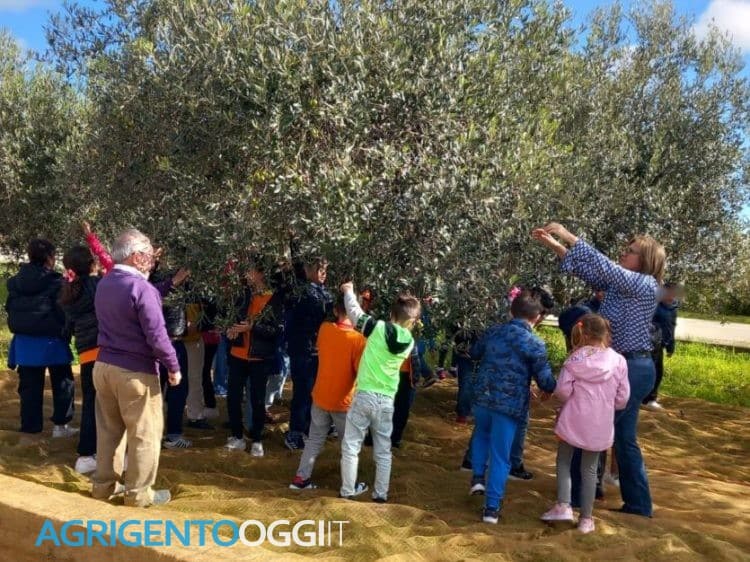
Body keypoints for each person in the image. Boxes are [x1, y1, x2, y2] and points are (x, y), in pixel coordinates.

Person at [533, 222, 665, 518]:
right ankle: (631, 502)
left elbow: (603, 265)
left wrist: (567, 235)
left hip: (630, 367)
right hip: (625, 365)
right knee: (620, 436)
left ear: (646, 260)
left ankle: (577, 498)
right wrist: (555, 246)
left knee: (588, 425)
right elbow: (589, 271)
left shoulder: (644, 284)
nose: (624, 252)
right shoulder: (622, 285)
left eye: (631, 251)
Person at [92, 229, 181, 507]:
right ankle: (139, 494)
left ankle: (103, 486)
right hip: (135, 372)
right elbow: (157, 335)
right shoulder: (142, 288)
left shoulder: (105, 283)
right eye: (148, 254)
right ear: (135, 256)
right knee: (145, 433)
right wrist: (173, 365)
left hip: (103, 366)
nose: (152, 260)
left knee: (109, 431)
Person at [467, 289, 557, 524]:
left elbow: (474, 353)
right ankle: (491, 508)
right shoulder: (534, 343)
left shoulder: (493, 331)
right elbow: (545, 380)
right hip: (510, 404)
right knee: (501, 455)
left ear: (511, 310)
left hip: (483, 396)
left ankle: (478, 477)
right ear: (537, 317)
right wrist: (554, 385)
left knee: (481, 434)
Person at [541, 314, 630, 534]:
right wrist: (608, 404)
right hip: (600, 422)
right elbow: (623, 398)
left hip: (573, 418)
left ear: (584, 334)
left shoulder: (575, 359)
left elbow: (563, 391)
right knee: (590, 469)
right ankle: (586, 519)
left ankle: (564, 505)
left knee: (564, 460)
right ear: (605, 333)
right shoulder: (618, 361)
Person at [339, 282, 421, 502]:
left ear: (392, 314)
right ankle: (380, 494)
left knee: (351, 445)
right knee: (383, 450)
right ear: (413, 321)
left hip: (364, 394)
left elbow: (355, 314)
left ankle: (347, 490)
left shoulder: (378, 328)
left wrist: (348, 292)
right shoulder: (409, 343)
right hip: (386, 401)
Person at [289, 293, 365, 490]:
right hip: (343, 402)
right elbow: (360, 371)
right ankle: (350, 485)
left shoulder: (324, 329)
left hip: (321, 396)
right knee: (348, 445)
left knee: (314, 440)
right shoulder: (358, 339)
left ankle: (301, 478)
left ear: (335, 310)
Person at [5, 239, 77, 437]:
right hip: (52, 339)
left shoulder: (16, 282)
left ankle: (30, 429)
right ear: (50, 258)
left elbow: (9, 307)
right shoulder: (56, 282)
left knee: (29, 387)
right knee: (62, 383)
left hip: (24, 341)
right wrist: (67, 329)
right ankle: (61, 426)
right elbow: (63, 309)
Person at [225, 255, 284, 457]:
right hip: (238, 354)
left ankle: (257, 439)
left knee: (257, 399)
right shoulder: (244, 294)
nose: (246, 274)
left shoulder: (273, 298)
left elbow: (275, 330)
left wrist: (253, 327)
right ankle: (237, 436)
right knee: (233, 397)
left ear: (260, 274)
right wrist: (231, 331)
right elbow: (232, 318)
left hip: (260, 357)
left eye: (250, 270)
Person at [59, 245, 102, 474]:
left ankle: (86, 454)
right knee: (107, 406)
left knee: (89, 404)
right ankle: (101, 453)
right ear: (91, 264)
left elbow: (67, 326)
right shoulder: (97, 285)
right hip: (105, 351)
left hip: (86, 353)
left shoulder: (68, 290)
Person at [285, 255, 333, 451]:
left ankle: (307, 428)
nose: (323, 274)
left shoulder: (322, 292)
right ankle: (295, 432)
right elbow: (317, 313)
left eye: (325, 270)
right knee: (303, 392)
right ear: (308, 271)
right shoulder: (304, 293)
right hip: (303, 349)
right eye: (320, 270)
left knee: (312, 391)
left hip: (314, 349)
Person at [643, 282, 679, 410]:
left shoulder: (673, 308)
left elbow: (672, 327)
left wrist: (671, 346)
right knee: (651, 371)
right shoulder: (654, 306)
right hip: (650, 344)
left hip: (662, 345)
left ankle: (651, 397)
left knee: (658, 371)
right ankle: (647, 398)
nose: (672, 296)